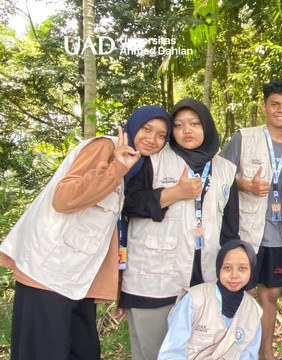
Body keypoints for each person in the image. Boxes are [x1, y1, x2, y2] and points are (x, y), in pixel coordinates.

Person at [0, 105, 171, 360]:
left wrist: (116, 285)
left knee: (84, 350)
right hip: (47, 271)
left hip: (77, 279)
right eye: (147, 129)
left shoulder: (134, 167)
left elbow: (107, 230)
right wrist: (116, 168)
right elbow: (63, 198)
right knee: (44, 352)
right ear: (133, 126)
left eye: (161, 135)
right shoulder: (104, 147)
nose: (152, 139)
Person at [119, 98, 239, 360]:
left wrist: (234, 273)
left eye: (194, 124)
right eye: (179, 125)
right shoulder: (152, 159)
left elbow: (230, 231)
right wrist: (173, 193)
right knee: (153, 353)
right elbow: (127, 202)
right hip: (153, 281)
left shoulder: (226, 170)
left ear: (206, 126)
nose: (187, 130)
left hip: (204, 281)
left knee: (198, 352)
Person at [218, 78, 282, 360]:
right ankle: (231, 352)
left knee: (270, 296)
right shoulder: (243, 138)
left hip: (278, 236)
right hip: (245, 233)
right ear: (264, 107)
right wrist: (245, 185)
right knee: (239, 294)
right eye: (275, 104)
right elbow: (219, 177)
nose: (281, 110)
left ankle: (264, 353)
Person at [158, 239, 262, 360]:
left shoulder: (253, 312)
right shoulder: (195, 300)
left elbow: (249, 355)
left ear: (252, 271)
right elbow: (172, 352)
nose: (234, 275)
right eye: (227, 268)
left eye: (242, 269)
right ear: (219, 268)